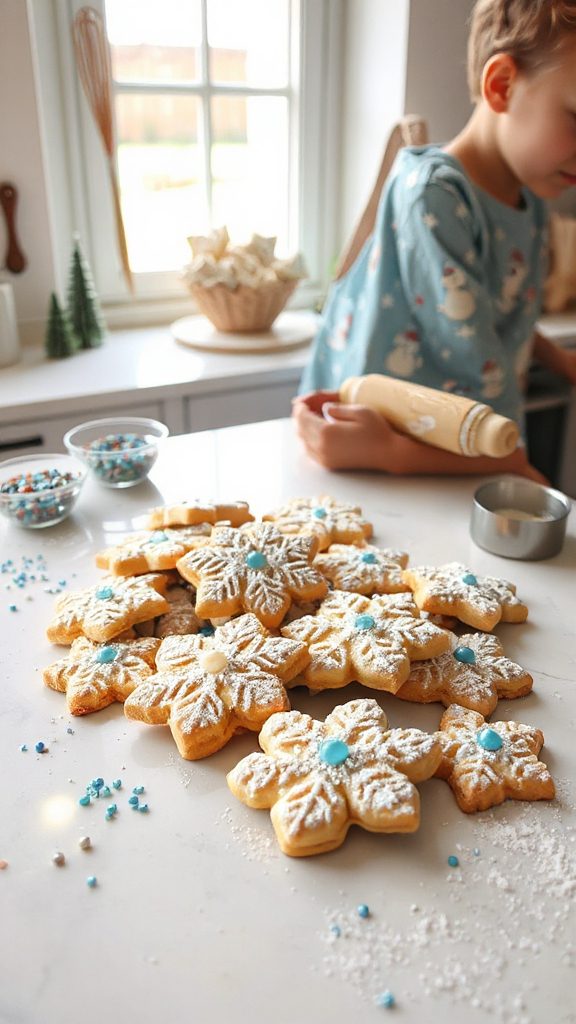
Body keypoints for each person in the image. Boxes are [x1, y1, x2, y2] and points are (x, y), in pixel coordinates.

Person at [293, 0, 576, 482]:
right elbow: (477, 359)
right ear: (501, 85)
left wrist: (561, 361)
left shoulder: (529, 198)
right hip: (383, 444)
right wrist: (515, 462)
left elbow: (502, 311)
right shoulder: (434, 195)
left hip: (456, 447)